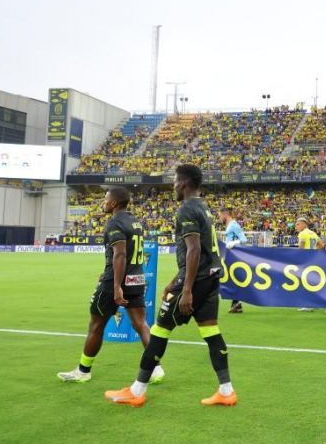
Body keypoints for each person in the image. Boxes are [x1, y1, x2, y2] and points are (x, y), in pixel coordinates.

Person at [105, 164, 235, 407]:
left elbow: (194, 251)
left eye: (175, 181)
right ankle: (227, 391)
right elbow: (202, 251)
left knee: (159, 330)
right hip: (210, 277)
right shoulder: (203, 208)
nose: (173, 185)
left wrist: (185, 289)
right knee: (210, 331)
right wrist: (174, 282)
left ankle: (137, 391)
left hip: (196, 281)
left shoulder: (187, 209)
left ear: (184, 183)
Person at [58, 187, 164, 384]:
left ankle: (83, 371)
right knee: (141, 324)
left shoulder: (115, 222)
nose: (103, 203)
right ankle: (156, 368)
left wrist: (116, 285)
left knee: (96, 325)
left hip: (116, 282)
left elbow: (121, 254)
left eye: (106, 199)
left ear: (114, 203)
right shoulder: (135, 222)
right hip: (137, 279)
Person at [220, 208, 248, 314]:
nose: (219, 218)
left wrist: (234, 242)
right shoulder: (230, 225)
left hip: (236, 256)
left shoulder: (234, 225)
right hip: (231, 255)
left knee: (233, 278)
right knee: (233, 279)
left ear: (226, 214)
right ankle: (237, 305)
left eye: (220, 216)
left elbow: (244, 240)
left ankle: (237, 304)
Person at [295, 217, 324, 312]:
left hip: (306, 261)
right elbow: (321, 246)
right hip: (315, 261)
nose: (296, 226)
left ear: (304, 224)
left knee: (306, 282)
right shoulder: (313, 233)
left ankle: (308, 304)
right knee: (314, 283)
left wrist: (299, 259)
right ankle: (315, 303)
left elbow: (301, 248)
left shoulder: (302, 234)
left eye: (298, 224)